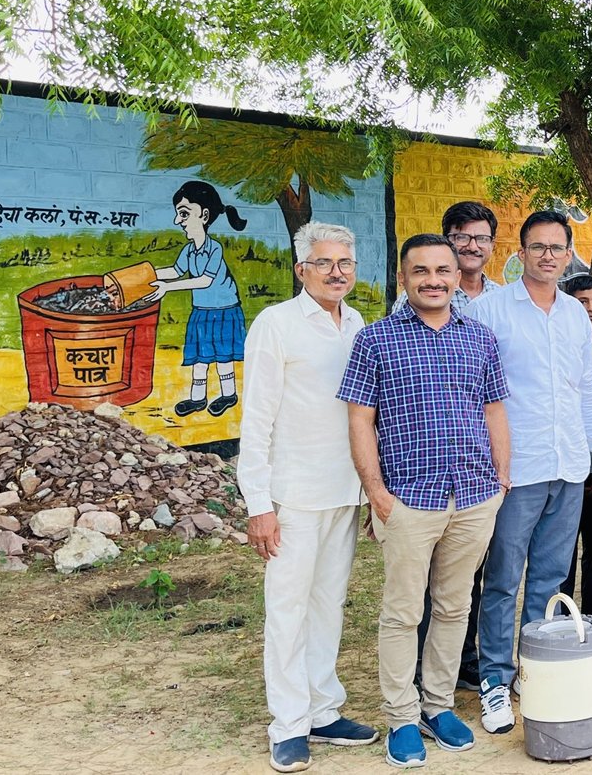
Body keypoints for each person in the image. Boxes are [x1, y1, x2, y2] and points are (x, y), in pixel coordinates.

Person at [338, 233, 509, 767]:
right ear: (403, 279)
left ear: (458, 277)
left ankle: (438, 705)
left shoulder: (480, 338)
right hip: (408, 500)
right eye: (421, 271)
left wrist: (501, 479)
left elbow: (494, 410)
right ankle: (401, 717)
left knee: (454, 607)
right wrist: (376, 493)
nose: (433, 280)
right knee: (403, 612)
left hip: (475, 496)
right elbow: (360, 420)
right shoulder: (375, 340)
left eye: (442, 270)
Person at [466, 211, 592, 735]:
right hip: (516, 469)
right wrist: (488, 461)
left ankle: (532, 670)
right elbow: (474, 393)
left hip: (569, 465)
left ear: (569, 254)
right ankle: (494, 678)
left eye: (558, 248)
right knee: (503, 578)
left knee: (551, 577)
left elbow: (586, 390)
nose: (548, 256)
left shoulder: (576, 314)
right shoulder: (490, 311)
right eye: (538, 247)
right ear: (521, 253)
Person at [239, 222, 376, 773]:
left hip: (345, 491)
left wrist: (371, 490)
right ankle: (289, 725)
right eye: (324, 263)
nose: (336, 272)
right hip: (293, 496)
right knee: (288, 610)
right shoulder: (276, 325)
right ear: (301, 270)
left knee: (327, 605)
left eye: (345, 263)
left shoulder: (358, 325)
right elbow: (256, 420)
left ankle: (323, 710)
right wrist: (259, 504)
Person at [393, 201, 500, 693]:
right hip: (418, 480)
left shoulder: (496, 307)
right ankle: (415, 675)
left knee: (463, 585)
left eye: (480, 238)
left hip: (476, 476)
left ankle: (458, 666)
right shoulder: (399, 318)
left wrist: (500, 476)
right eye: (462, 237)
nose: (471, 245)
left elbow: (494, 400)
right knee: (416, 589)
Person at [149, 180, 248, 418]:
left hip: (224, 311)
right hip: (201, 311)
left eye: (184, 214)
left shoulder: (214, 248)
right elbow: (175, 271)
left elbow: (204, 280)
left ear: (204, 215)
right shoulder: (188, 250)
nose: (178, 221)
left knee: (223, 359)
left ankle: (228, 394)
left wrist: (167, 288)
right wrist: (147, 274)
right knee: (200, 360)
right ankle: (197, 399)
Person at [560, 273, 592, 618]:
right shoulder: (563, 343)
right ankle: (561, 622)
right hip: (569, 466)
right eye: (582, 302)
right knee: (562, 551)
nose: (591, 309)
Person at [394, 201, 500, 316]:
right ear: (446, 241)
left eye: (482, 239)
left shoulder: (500, 295)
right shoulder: (419, 295)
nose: (473, 247)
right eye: (462, 237)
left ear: (492, 244)